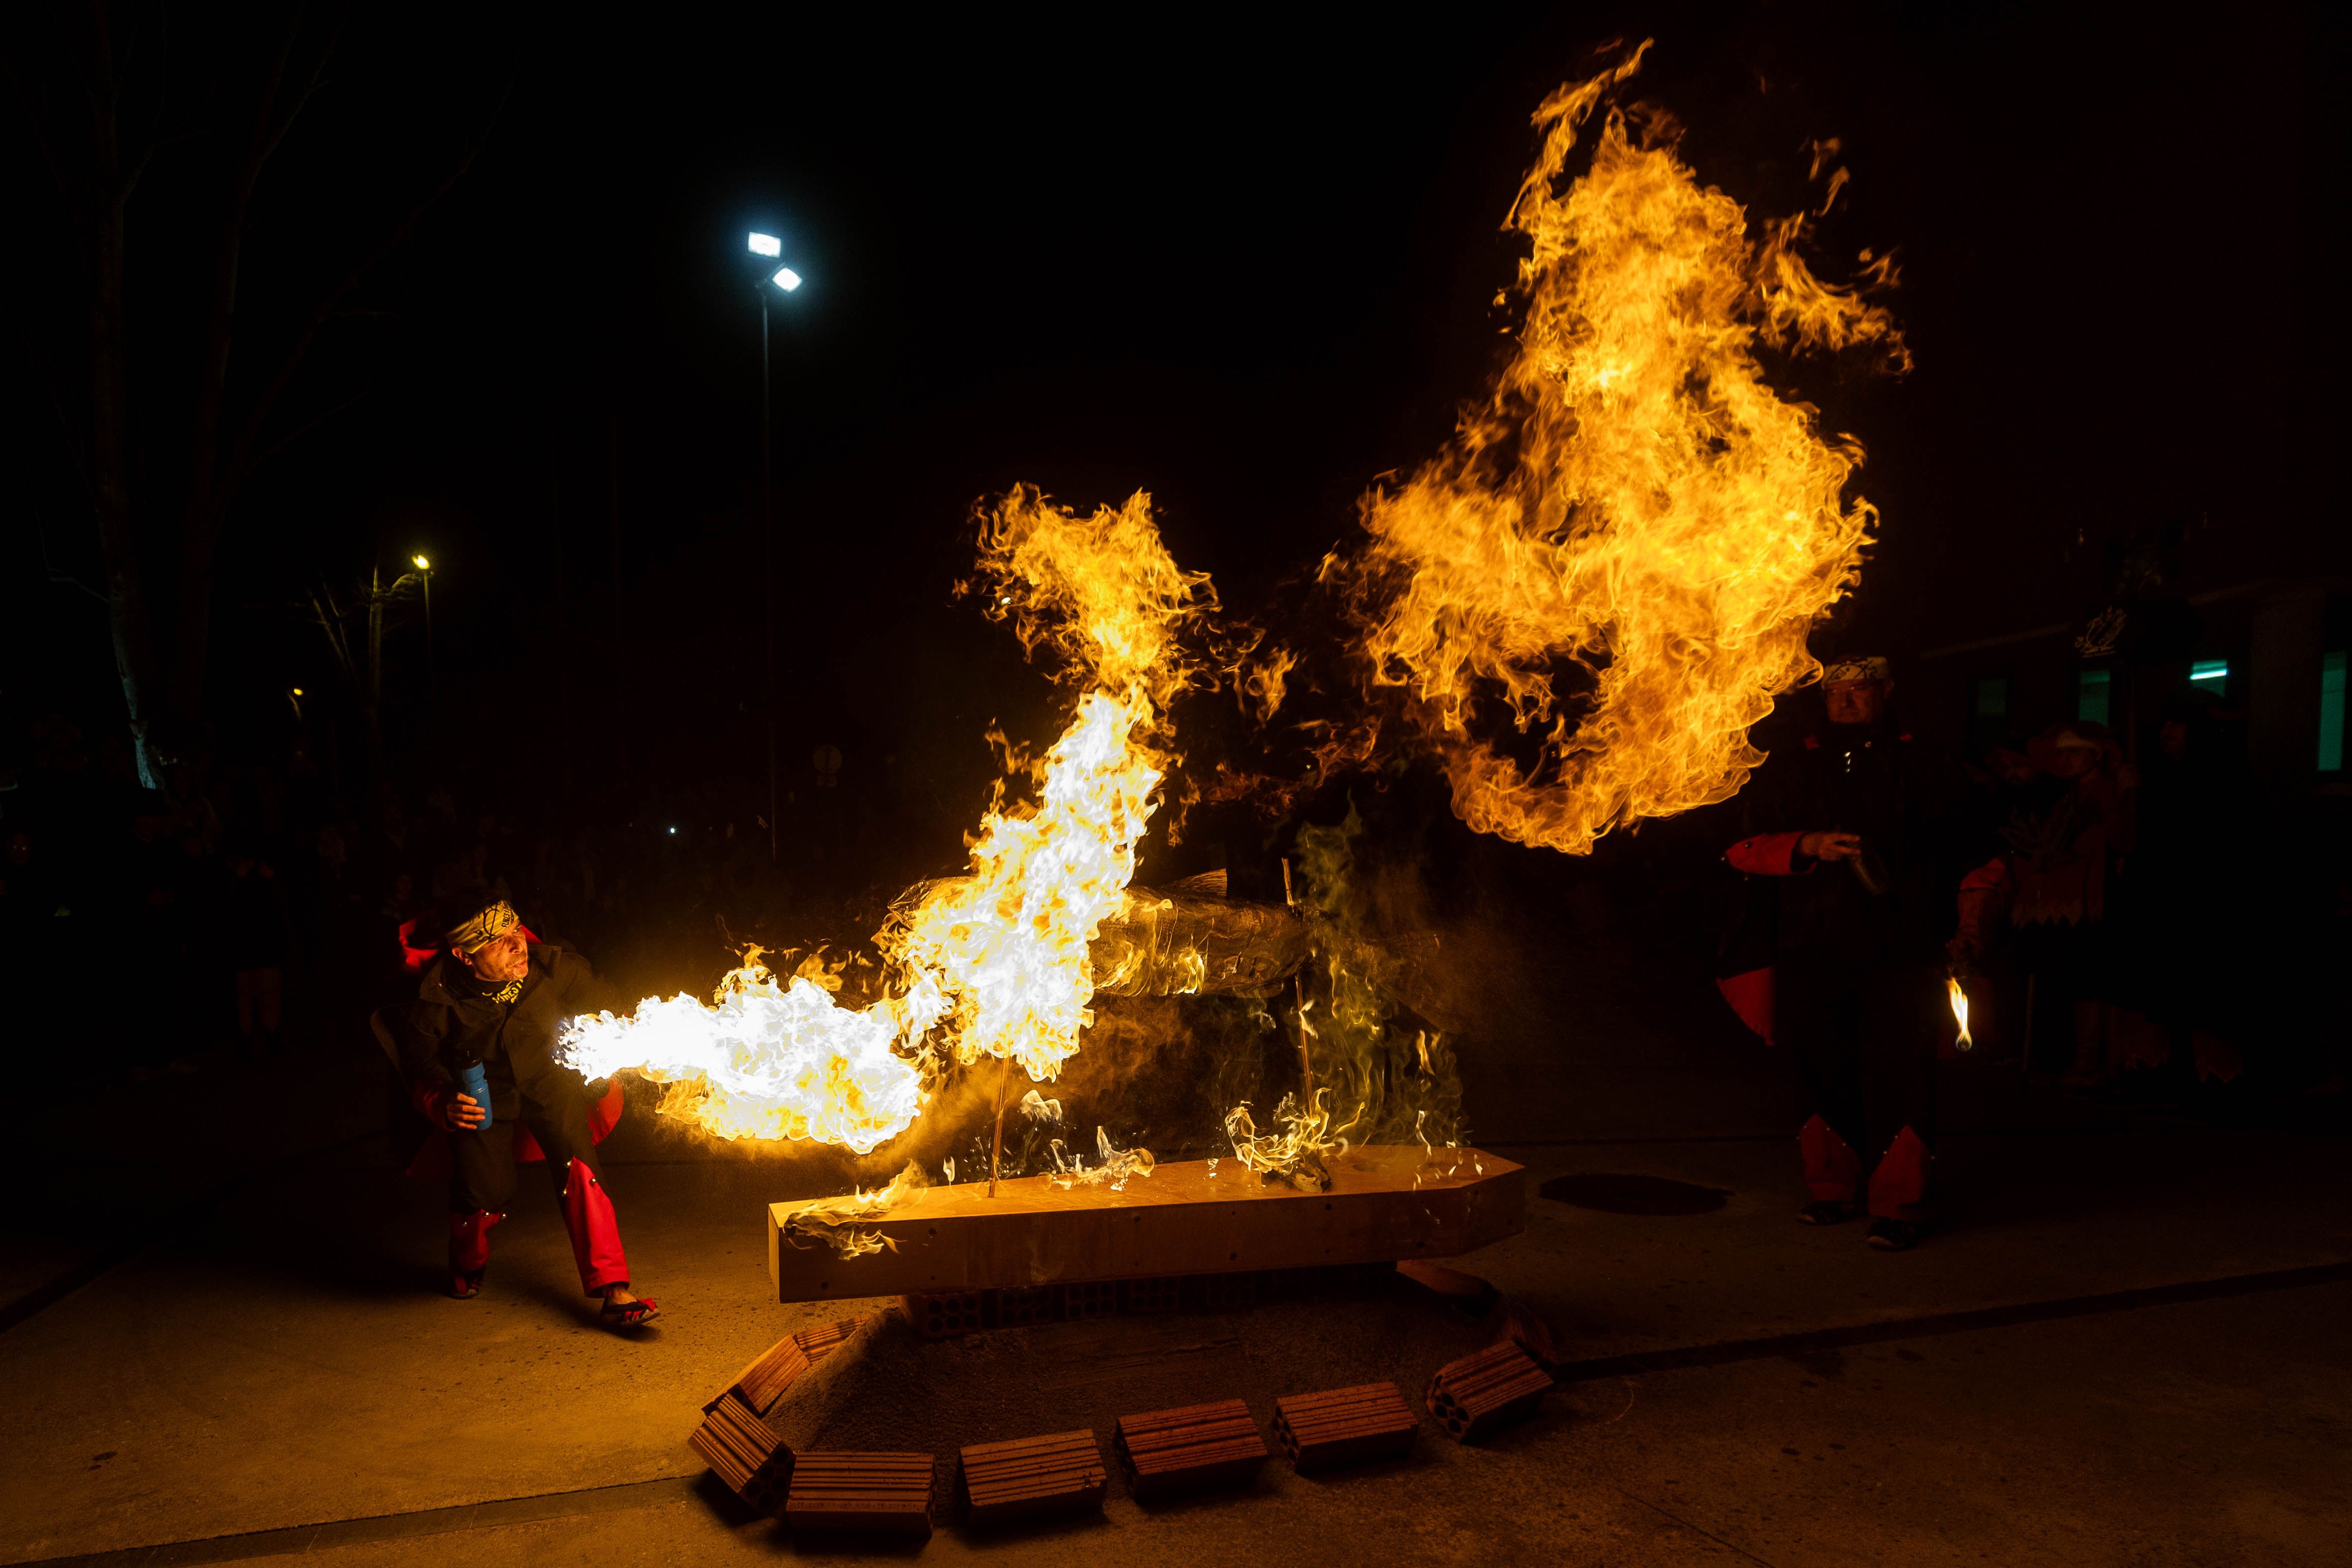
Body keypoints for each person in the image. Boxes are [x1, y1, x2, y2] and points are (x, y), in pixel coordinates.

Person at [1721, 657, 1982, 1251]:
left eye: (1858, 689)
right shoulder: (1792, 765)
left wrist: (1969, 926)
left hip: (1904, 948)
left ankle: (1900, 1203)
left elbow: (1974, 852)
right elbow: (1740, 846)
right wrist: (1806, 844)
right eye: (1834, 691)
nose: (1844, 701)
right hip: (1812, 945)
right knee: (1818, 1068)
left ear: (1885, 690)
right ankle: (1832, 1189)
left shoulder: (1928, 765)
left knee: (1902, 1073)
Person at [372, 891, 660, 1326]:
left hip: (551, 1079)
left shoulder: (557, 970)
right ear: (464, 956)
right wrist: (442, 1100)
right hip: (482, 1095)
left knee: (580, 1167)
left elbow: (609, 1009)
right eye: (497, 940)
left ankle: (614, 1288)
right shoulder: (435, 1000)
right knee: (483, 1191)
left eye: (515, 930)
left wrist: (614, 1045)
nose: (517, 944)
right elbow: (420, 1065)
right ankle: (466, 1262)